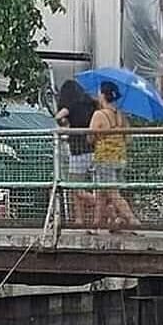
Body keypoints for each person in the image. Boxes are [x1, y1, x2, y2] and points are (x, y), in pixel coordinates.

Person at [88, 81, 139, 230]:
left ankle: (134, 221)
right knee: (101, 194)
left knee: (113, 193)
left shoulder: (99, 114)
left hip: (104, 159)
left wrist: (100, 137)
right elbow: (128, 139)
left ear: (103, 95)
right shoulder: (121, 115)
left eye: (99, 92)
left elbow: (90, 137)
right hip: (120, 158)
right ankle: (95, 225)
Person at [55, 80, 96, 226]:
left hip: (78, 151)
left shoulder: (71, 104)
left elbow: (59, 117)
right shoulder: (91, 104)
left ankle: (95, 202)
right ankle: (79, 219)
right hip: (94, 149)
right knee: (81, 185)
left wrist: (64, 122)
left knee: (74, 185)